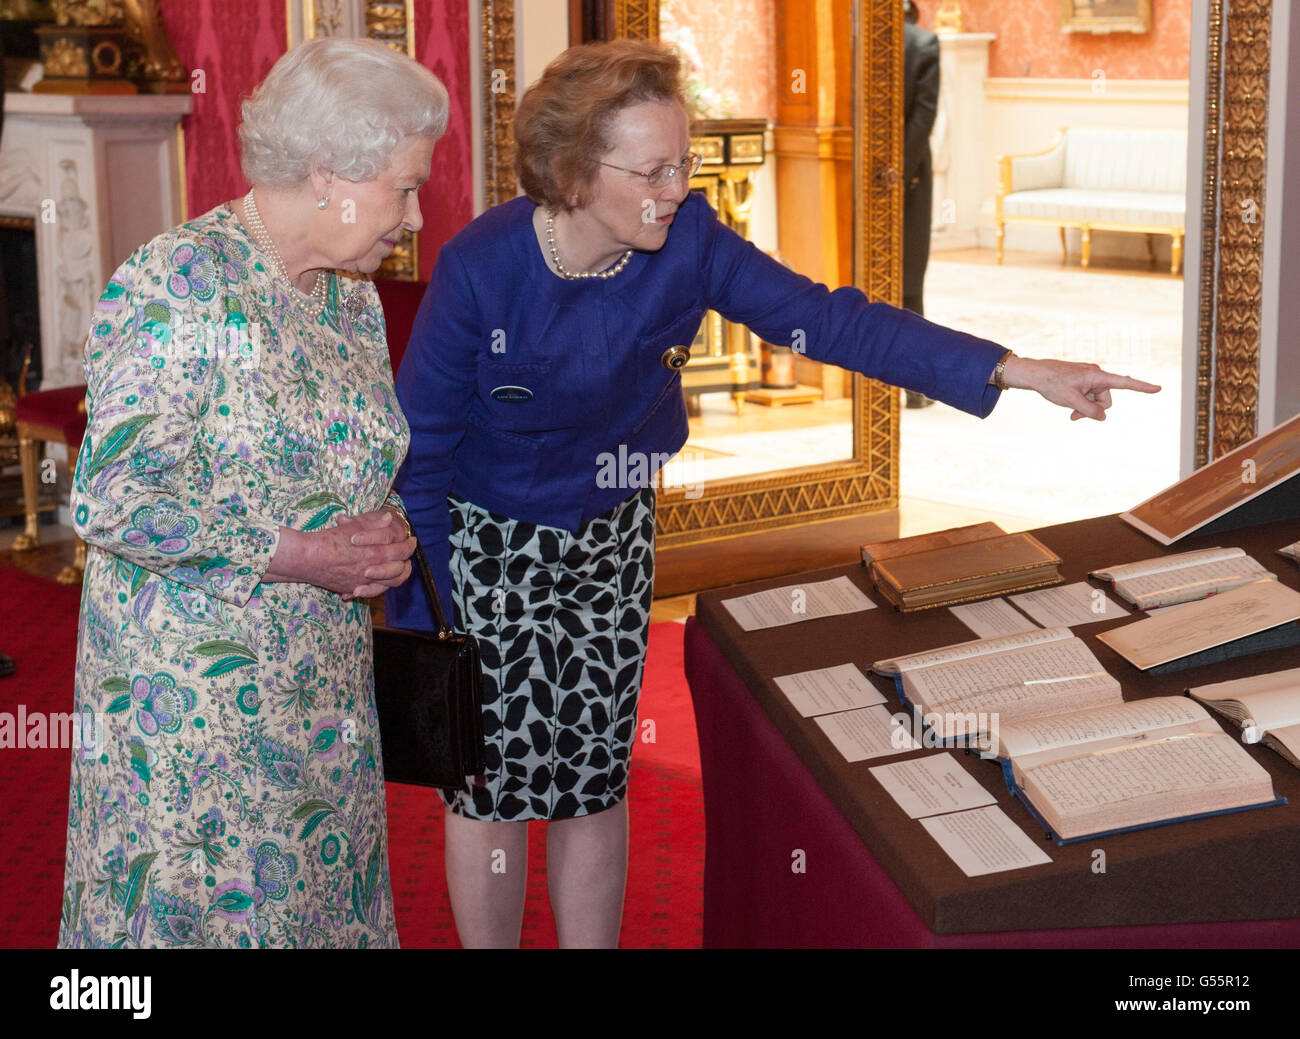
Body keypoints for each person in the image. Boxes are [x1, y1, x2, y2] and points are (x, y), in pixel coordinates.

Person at [388, 39, 1159, 949]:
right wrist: (424, 625)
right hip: (487, 548)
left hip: (610, 537)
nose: (678, 187)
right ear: (571, 171)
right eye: (654, 170)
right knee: (492, 787)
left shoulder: (690, 242)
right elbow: (420, 456)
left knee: (593, 776)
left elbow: (834, 320)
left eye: (684, 162)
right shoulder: (483, 266)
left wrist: (1014, 368)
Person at [58, 37, 445, 948]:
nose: (418, 215)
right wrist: (306, 552)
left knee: (313, 905)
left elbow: (331, 462)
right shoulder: (178, 284)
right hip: (192, 706)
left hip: (320, 685)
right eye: (405, 186)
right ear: (328, 174)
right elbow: (109, 497)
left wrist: (377, 532)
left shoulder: (347, 294)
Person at [902, 0, 940, 406]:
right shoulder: (924, 42)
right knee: (910, 285)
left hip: (860, 174)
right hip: (909, 179)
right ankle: (915, 389)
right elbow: (923, 115)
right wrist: (899, 173)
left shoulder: (855, 41)